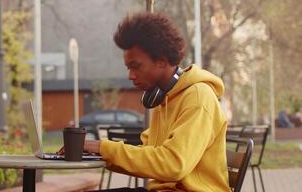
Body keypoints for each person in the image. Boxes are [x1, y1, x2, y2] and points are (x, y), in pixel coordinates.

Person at [58, 12, 230, 191]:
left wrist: (103, 148)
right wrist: (96, 152)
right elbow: (149, 156)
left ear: (162, 62)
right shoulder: (164, 98)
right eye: (128, 67)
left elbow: (173, 165)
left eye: (136, 66)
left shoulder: (198, 98)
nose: (130, 75)